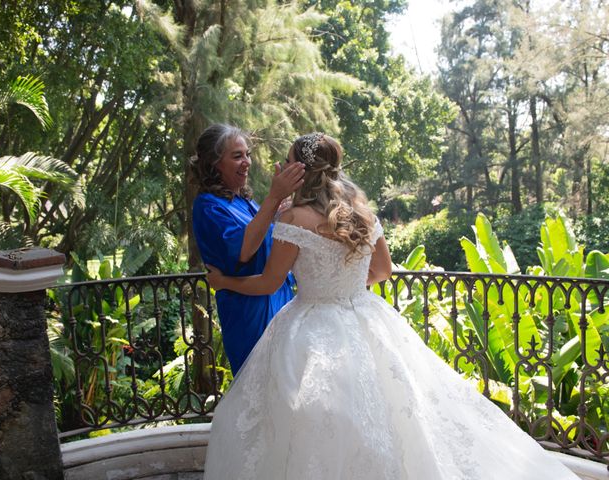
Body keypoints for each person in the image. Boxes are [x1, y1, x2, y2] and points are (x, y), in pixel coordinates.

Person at [201, 133, 578, 479]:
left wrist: (223, 282)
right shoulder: (361, 212)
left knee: (307, 417)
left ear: (302, 171)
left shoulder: (293, 218)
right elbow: (382, 271)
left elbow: (268, 282)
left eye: (288, 163)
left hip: (311, 324)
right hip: (365, 315)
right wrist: (342, 284)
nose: (282, 170)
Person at [190, 124, 305, 375]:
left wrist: (277, 212)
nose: (247, 162)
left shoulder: (244, 201)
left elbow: (265, 239)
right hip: (249, 315)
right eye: (237, 156)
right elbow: (244, 251)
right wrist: (273, 198)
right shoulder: (208, 207)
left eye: (247, 154)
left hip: (279, 301)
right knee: (261, 387)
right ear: (214, 163)